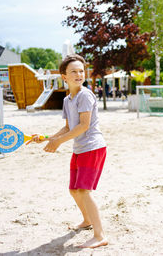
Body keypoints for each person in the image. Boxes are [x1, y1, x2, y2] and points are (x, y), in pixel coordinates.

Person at [28, 54, 108, 249]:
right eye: (73, 71)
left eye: (81, 71)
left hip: (93, 148)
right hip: (79, 149)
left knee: (83, 190)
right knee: (74, 190)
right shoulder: (67, 100)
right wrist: (47, 138)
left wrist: (58, 143)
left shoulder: (85, 95)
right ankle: (87, 220)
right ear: (64, 76)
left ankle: (100, 236)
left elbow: (83, 126)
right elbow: (67, 127)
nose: (79, 74)